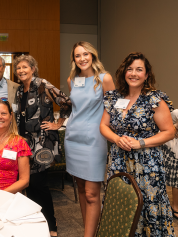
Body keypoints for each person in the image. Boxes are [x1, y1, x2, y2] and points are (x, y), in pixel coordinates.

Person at [100, 52, 175, 236]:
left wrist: (140, 143)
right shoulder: (114, 97)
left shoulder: (154, 99)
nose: (133, 73)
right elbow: (103, 125)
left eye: (139, 70)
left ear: (147, 74)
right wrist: (116, 139)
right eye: (130, 69)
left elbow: (170, 131)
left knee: (148, 207)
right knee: (121, 206)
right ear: (124, 72)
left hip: (147, 164)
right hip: (119, 161)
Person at [13, 55, 72, 237]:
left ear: (32, 68)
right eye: (18, 68)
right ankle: (37, 225)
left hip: (42, 143)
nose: (21, 71)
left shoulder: (43, 85)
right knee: (28, 185)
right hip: (24, 143)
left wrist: (58, 123)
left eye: (25, 67)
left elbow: (67, 102)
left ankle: (51, 227)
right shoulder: (19, 90)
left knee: (39, 184)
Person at [64, 41, 115, 237]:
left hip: (94, 139)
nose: (82, 58)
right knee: (81, 191)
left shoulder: (104, 78)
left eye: (86, 54)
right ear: (74, 59)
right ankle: (89, 232)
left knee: (93, 194)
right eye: (78, 55)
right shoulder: (72, 80)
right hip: (73, 138)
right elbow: (74, 108)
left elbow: (112, 111)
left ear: (92, 56)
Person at [163, 109, 178, 220]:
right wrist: (176, 128)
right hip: (174, 149)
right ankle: (175, 207)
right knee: (177, 180)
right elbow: (169, 128)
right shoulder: (176, 113)